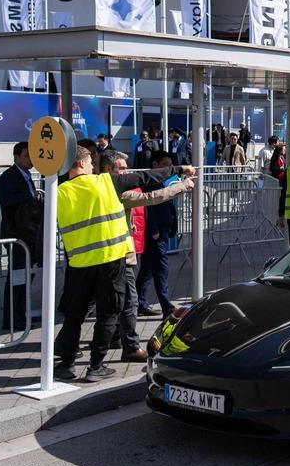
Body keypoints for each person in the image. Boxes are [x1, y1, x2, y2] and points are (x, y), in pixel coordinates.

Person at [55, 146, 192, 382]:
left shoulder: (59, 191)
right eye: (90, 162)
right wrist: (181, 170)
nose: (93, 166)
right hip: (111, 260)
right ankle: (95, 366)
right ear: (80, 164)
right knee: (108, 314)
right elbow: (149, 176)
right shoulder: (107, 183)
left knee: (75, 315)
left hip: (78, 264)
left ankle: (66, 364)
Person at [0, 141, 41, 329]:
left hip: (28, 234)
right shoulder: (9, 176)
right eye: (26, 156)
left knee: (26, 276)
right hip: (16, 234)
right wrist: (29, 198)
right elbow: (6, 200)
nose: (31, 160)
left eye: (32, 156)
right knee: (17, 277)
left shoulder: (27, 175)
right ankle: (11, 318)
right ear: (16, 157)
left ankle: (22, 313)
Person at [138, 150, 185, 319]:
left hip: (162, 230)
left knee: (148, 269)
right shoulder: (150, 182)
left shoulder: (161, 181)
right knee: (160, 269)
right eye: (164, 165)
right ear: (155, 165)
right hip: (156, 234)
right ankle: (167, 307)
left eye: (170, 165)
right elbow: (148, 207)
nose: (168, 168)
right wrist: (154, 231)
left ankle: (140, 303)